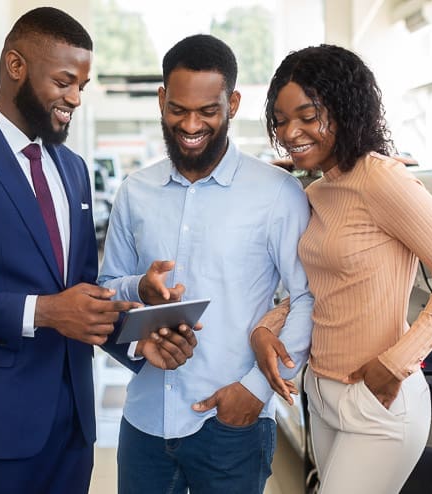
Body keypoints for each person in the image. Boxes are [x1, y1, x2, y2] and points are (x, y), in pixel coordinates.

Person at [0, 8, 197, 494]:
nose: (75, 98)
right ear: (16, 66)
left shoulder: (72, 167)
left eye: (83, 85)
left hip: (73, 420)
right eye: (64, 81)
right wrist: (44, 312)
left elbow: (80, 294)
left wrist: (137, 339)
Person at [252, 44, 432, 493]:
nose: (290, 131)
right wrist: (266, 327)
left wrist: (397, 362)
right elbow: (321, 288)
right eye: (281, 120)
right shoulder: (319, 192)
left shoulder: (382, 178)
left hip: (378, 401)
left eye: (307, 115)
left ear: (343, 108)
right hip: (319, 394)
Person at [98, 34, 314, 494]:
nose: (190, 124)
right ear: (161, 100)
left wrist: (255, 392)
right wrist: (139, 289)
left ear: (232, 103)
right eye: (177, 109)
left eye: (207, 111)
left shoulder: (277, 193)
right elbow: (106, 289)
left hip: (231, 424)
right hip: (144, 422)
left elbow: (308, 299)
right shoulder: (135, 191)